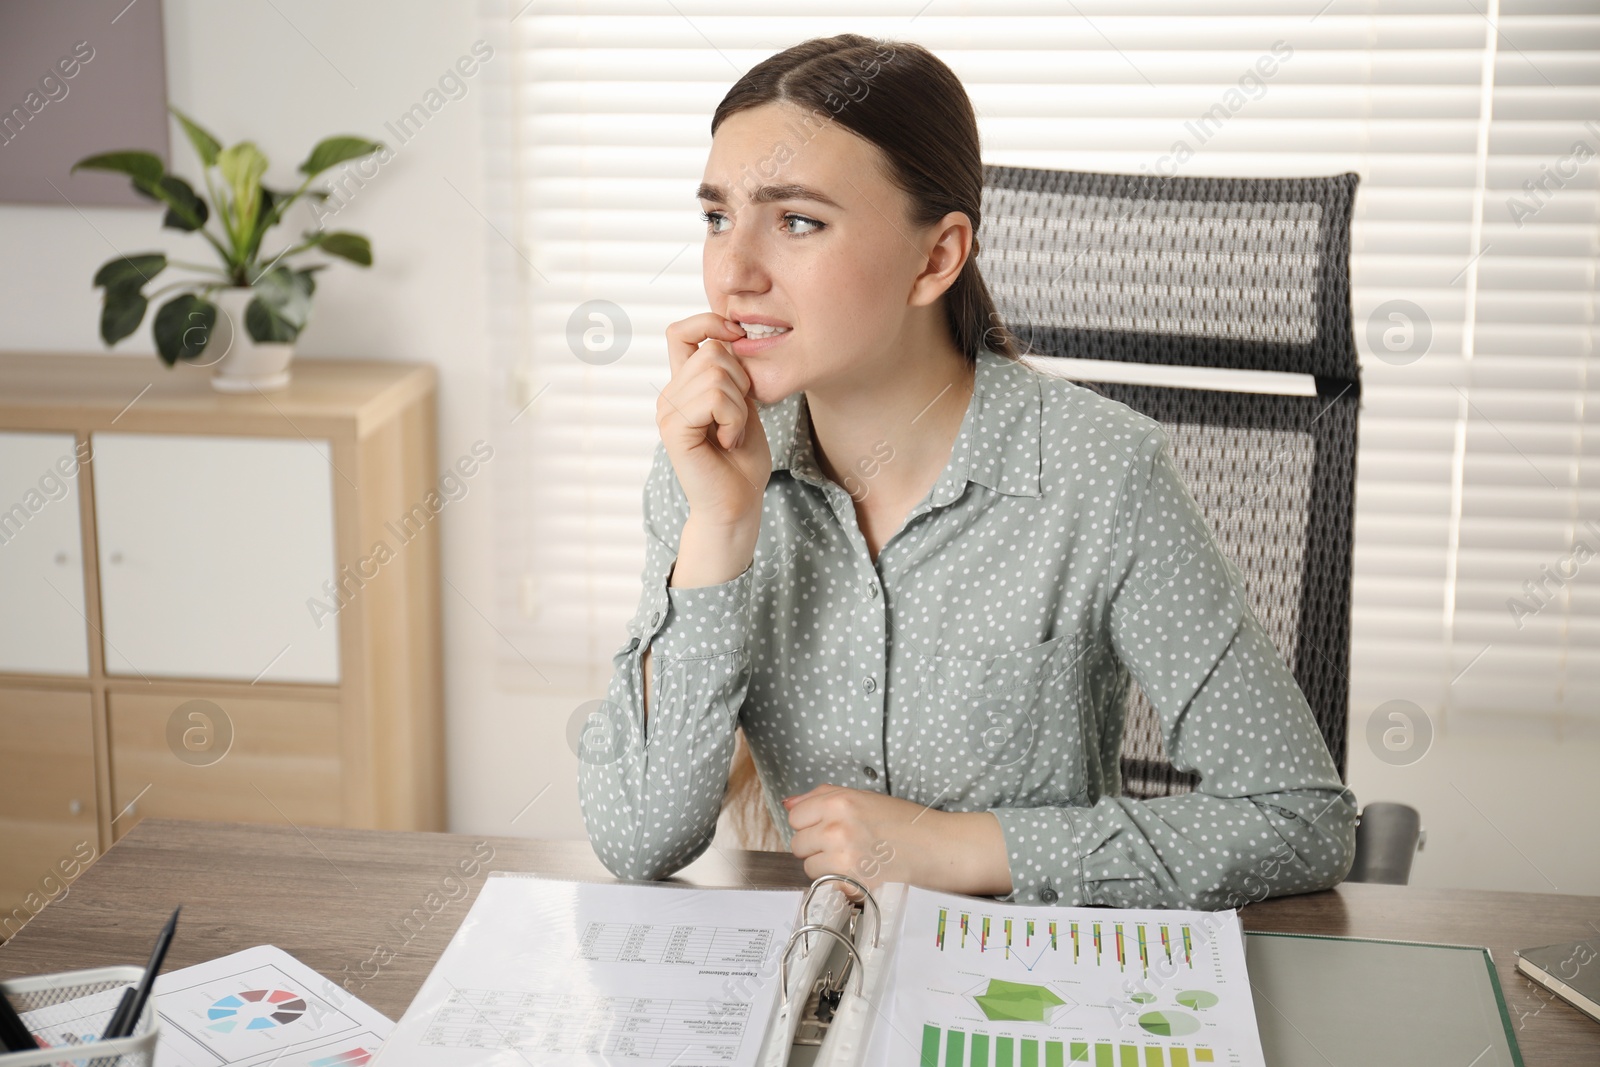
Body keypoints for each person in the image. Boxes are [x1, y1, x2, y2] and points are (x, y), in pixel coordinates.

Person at [577, 33, 1357, 909]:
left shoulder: (1101, 472)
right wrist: (718, 528)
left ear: (938, 257)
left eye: (797, 221)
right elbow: (638, 838)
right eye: (718, 217)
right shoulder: (707, 461)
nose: (732, 272)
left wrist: (963, 847)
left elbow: (1299, 816)